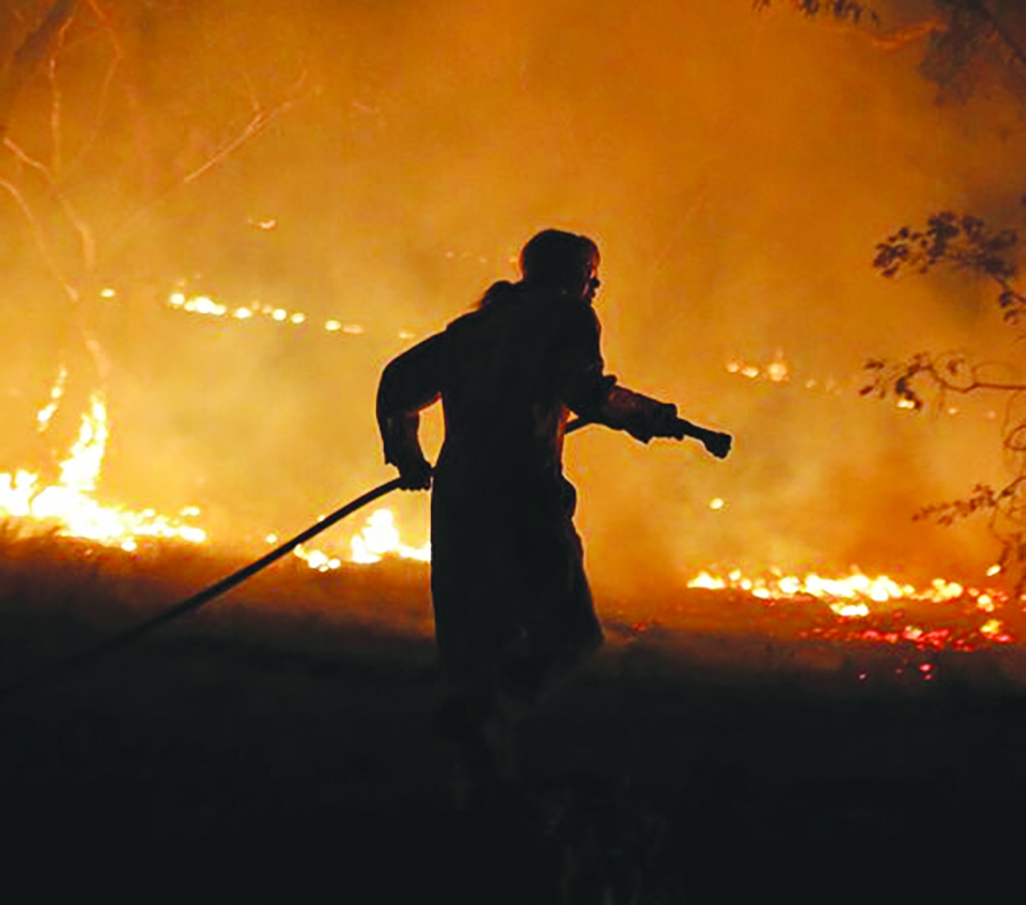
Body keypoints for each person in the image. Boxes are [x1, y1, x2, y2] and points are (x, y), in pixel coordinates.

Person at [376, 229, 730, 801]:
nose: (598, 285)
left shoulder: (476, 328)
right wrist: (659, 419)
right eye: (593, 272)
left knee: (473, 642)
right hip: (523, 496)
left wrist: (409, 456)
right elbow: (588, 393)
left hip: (461, 500)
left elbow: (398, 383)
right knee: (571, 633)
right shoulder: (568, 318)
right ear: (575, 275)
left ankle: (481, 792)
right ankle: (488, 714)